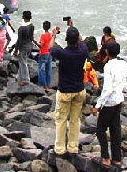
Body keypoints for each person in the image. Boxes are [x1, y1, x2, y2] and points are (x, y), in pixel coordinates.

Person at [91, 41, 127, 168]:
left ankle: (105, 157)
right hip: (119, 99)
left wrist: (98, 105)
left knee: (101, 130)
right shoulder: (123, 63)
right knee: (115, 129)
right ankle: (117, 159)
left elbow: (107, 89)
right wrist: (125, 87)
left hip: (109, 103)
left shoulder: (109, 66)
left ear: (107, 52)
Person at [49, 18, 88, 157]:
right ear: (77, 39)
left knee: (61, 120)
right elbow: (81, 40)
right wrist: (72, 27)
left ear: (66, 40)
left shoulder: (63, 54)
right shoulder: (83, 50)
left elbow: (50, 48)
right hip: (79, 90)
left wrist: (54, 34)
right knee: (75, 120)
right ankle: (73, 147)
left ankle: (60, 148)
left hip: (65, 91)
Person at [13, 10, 35, 86]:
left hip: (23, 47)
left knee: (23, 63)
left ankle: (25, 80)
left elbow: (19, 40)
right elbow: (31, 37)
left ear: (23, 17)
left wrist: (15, 50)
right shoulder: (32, 25)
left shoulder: (21, 28)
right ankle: (19, 76)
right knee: (23, 61)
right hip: (29, 45)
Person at [34, 20, 53, 91]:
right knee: (48, 70)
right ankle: (48, 84)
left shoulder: (43, 35)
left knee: (41, 70)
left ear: (43, 27)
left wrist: (34, 41)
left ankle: (44, 85)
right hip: (49, 53)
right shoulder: (50, 35)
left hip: (43, 53)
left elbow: (41, 45)